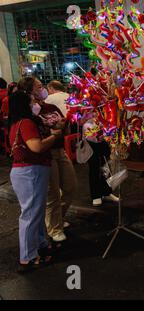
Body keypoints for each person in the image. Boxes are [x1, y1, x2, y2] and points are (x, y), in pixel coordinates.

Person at [18, 76, 77, 243]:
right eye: (38, 87)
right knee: (52, 194)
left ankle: (56, 218)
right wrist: (51, 129)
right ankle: (54, 228)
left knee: (71, 187)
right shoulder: (30, 111)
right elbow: (34, 134)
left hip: (60, 150)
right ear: (29, 91)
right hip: (45, 154)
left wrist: (64, 124)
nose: (42, 89)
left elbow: (62, 126)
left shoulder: (50, 106)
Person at [8, 90, 62, 272]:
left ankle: (40, 244)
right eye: (31, 101)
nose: (35, 102)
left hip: (27, 170)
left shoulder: (17, 122)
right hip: (30, 171)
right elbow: (36, 146)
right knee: (30, 215)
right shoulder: (26, 123)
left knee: (35, 212)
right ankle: (28, 257)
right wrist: (54, 137)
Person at [82, 113, 119, 206]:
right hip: (91, 145)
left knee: (106, 168)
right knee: (94, 170)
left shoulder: (102, 109)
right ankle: (96, 196)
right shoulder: (86, 118)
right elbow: (88, 133)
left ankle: (106, 192)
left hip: (103, 144)